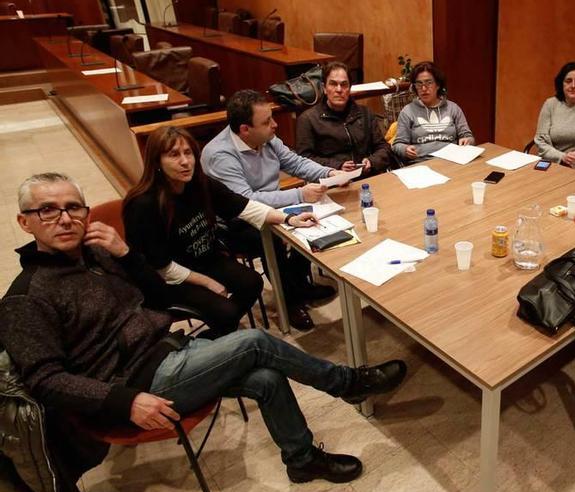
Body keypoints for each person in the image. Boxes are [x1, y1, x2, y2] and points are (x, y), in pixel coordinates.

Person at [0, 172, 408, 489]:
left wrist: (126, 256)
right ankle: (347, 382)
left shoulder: (98, 255)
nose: (66, 218)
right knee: (255, 341)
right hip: (134, 386)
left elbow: (158, 298)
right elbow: (45, 381)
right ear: (25, 222)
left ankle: (301, 461)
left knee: (265, 376)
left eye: (75, 207)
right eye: (48, 211)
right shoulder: (26, 298)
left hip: (167, 353)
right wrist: (125, 401)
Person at [123, 126, 322, 339]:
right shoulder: (143, 205)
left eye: (188, 153)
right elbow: (161, 267)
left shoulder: (198, 183)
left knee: (252, 283)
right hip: (168, 278)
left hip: (204, 259)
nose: (185, 161)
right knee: (224, 310)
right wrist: (209, 283)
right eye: (174, 155)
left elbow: (243, 206)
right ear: (156, 162)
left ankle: (215, 336)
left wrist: (289, 218)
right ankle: (207, 342)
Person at [202, 89, 344, 330]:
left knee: (316, 217)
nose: (275, 125)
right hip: (233, 222)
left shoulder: (266, 138)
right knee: (271, 236)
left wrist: (330, 173)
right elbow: (246, 201)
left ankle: (299, 283)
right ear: (245, 130)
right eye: (267, 121)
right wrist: (299, 194)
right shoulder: (220, 155)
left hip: (273, 204)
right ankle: (289, 300)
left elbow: (295, 163)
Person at [295, 61, 392, 177]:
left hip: (366, 177)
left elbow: (383, 147)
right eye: (333, 84)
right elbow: (304, 159)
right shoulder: (308, 119)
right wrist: (338, 165)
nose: (339, 89)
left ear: (349, 88)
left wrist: (372, 161)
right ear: (324, 88)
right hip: (331, 180)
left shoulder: (365, 113)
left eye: (344, 84)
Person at [391, 61, 474, 164]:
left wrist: (467, 140)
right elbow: (397, 144)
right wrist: (405, 149)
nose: (424, 88)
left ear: (438, 85)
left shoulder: (453, 108)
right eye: (419, 84)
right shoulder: (408, 111)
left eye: (429, 83)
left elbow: (467, 135)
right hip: (421, 163)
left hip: (452, 161)